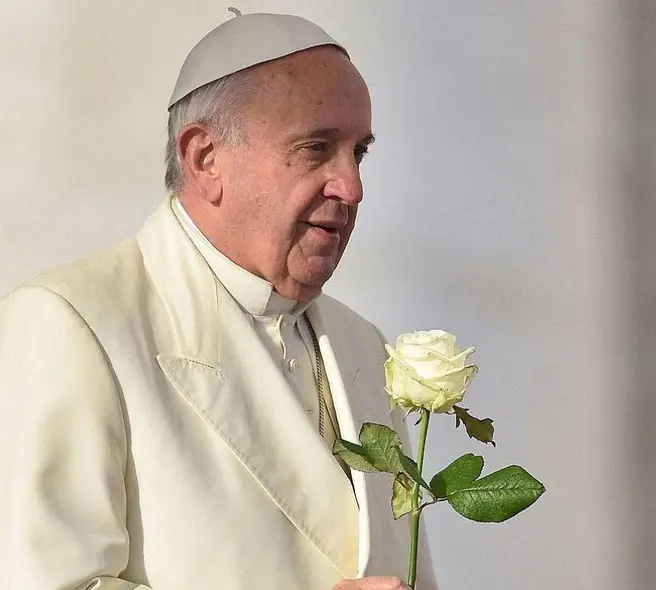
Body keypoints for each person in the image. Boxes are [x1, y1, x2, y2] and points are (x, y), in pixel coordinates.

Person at [0, 12, 434, 590]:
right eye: (316, 148)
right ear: (205, 158)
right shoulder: (72, 324)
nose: (351, 187)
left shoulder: (364, 346)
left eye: (359, 153)